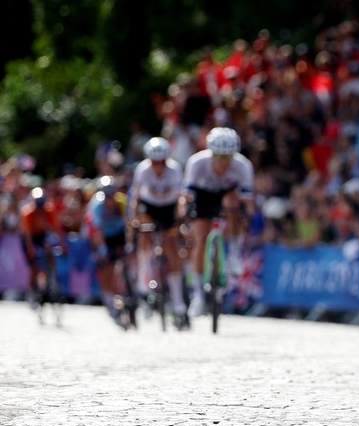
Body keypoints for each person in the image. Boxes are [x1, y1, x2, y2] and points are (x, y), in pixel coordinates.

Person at [179, 127, 255, 317]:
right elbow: (186, 196)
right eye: (219, 156)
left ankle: (234, 256)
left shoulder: (243, 166)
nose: (224, 161)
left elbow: (248, 201)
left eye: (228, 157)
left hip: (227, 196)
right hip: (203, 197)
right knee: (200, 240)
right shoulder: (197, 163)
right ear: (211, 152)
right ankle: (198, 295)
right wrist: (183, 214)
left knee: (233, 204)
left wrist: (247, 217)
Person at [129, 137, 187, 323]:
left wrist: (180, 217)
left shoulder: (175, 170)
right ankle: (144, 277)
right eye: (155, 161)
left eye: (161, 161)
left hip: (169, 207)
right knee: (145, 229)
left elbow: (180, 198)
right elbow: (136, 198)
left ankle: (178, 300)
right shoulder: (143, 170)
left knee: (172, 248)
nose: (158, 165)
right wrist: (133, 220)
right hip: (150, 206)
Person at [86, 175, 129, 324]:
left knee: (128, 257)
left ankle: (131, 287)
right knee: (108, 268)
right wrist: (103, 249)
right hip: (103, 236)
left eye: (113, 196)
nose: (110, 200)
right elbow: (97, 232)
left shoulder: (123, 201)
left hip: (119, 233)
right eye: (107, 196)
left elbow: (129, 224)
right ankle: (109, 298)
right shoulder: (96, 206)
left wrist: (129, 244)